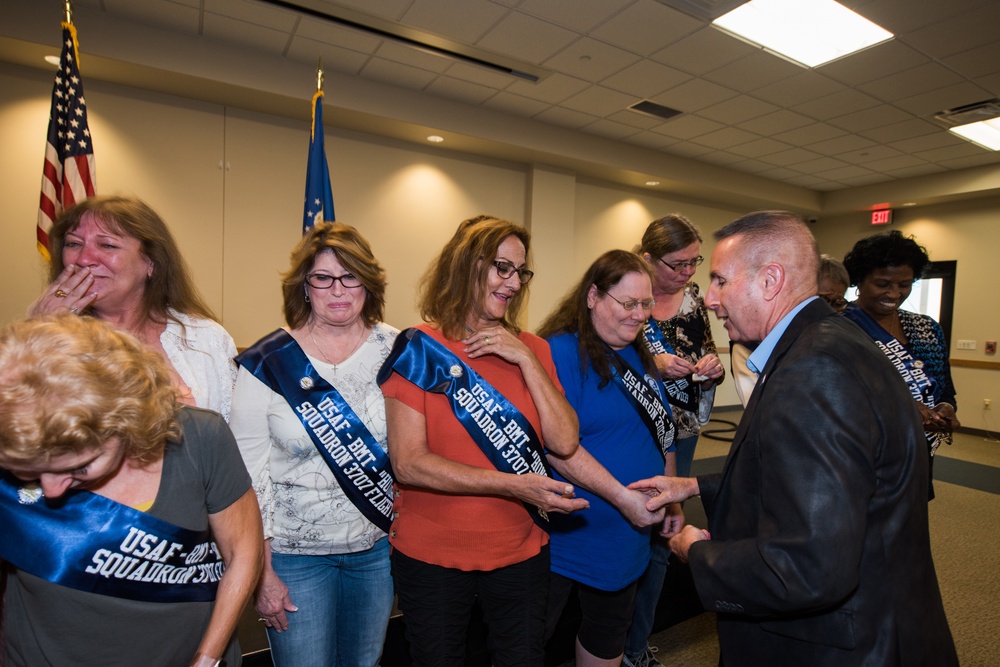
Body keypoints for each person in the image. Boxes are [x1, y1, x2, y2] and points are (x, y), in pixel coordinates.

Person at [630, 211, 958, 666]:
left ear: (770, 281)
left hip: (840, 644)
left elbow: (806, 568)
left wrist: (698, 553)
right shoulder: (828, 343)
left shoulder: (813, 371)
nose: (708, 299)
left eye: (721, 281)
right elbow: (823, 486)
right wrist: (694, 486)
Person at [378, 215, 590, 667]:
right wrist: (514, 486)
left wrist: (526, 360)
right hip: (432, 554)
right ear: (466, 266)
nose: (513, 283)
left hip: (520, 550)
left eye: (520, 271)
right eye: (501, 267)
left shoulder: (534, 346)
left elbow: (566, 441)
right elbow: (410, 464)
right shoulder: (420, 346)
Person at [0, 314, 262, 667]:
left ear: (126, 422)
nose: (51, 488)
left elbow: (243, 553)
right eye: (28, 471)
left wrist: (207, 659)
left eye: (79, 467)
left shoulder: (201, 438)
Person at [228, 222, 398, 666]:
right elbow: (248, 480)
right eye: (322, 278)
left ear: (369, 282)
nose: (337, 290)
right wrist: (261, 573)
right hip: (293, 559)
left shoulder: (396, 349)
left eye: (350, 276)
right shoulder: (267, 360)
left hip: (376, 551)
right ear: (304, 286)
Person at [536, 250, 682, 667]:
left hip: (627, 536)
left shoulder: (640, 354)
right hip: (568, 535)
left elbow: (663, 432)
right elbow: (557, 449)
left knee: (607, 634)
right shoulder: (557, 353)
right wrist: (622, 497)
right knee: (529, 640)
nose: (640, 316)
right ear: (593, 296)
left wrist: (669, 493)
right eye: (629, 304)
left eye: (646, 303)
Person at [30, 195, 237, 420]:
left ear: (151, 262)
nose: (84, 259)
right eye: (74, 244)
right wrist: (40, 338)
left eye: (107, 245)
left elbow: (236, 440)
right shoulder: (45, 335)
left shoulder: (206, 338)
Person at [626, 214, 725, 667]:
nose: (687, 273)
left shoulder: (693, 300)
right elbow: (601, 360)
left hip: (680, 432)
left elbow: (706, 349)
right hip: (630, 429)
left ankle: (636, 645)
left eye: (694, 263)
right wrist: (653, 365)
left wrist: (710, 370)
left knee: (664, 531)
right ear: (647, 258)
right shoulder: (625, 294)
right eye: (677, 264)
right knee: (623, 529)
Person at [842, 230, 958, 499]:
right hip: (861, 455)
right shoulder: (839, 328)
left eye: (905, 284)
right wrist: (900, 407)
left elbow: (945, 389)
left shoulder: (926, 329)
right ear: (859, 280)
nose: (894, 293)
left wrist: (946, 408)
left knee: (909, 529)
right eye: (882, 283)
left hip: (917, 452)